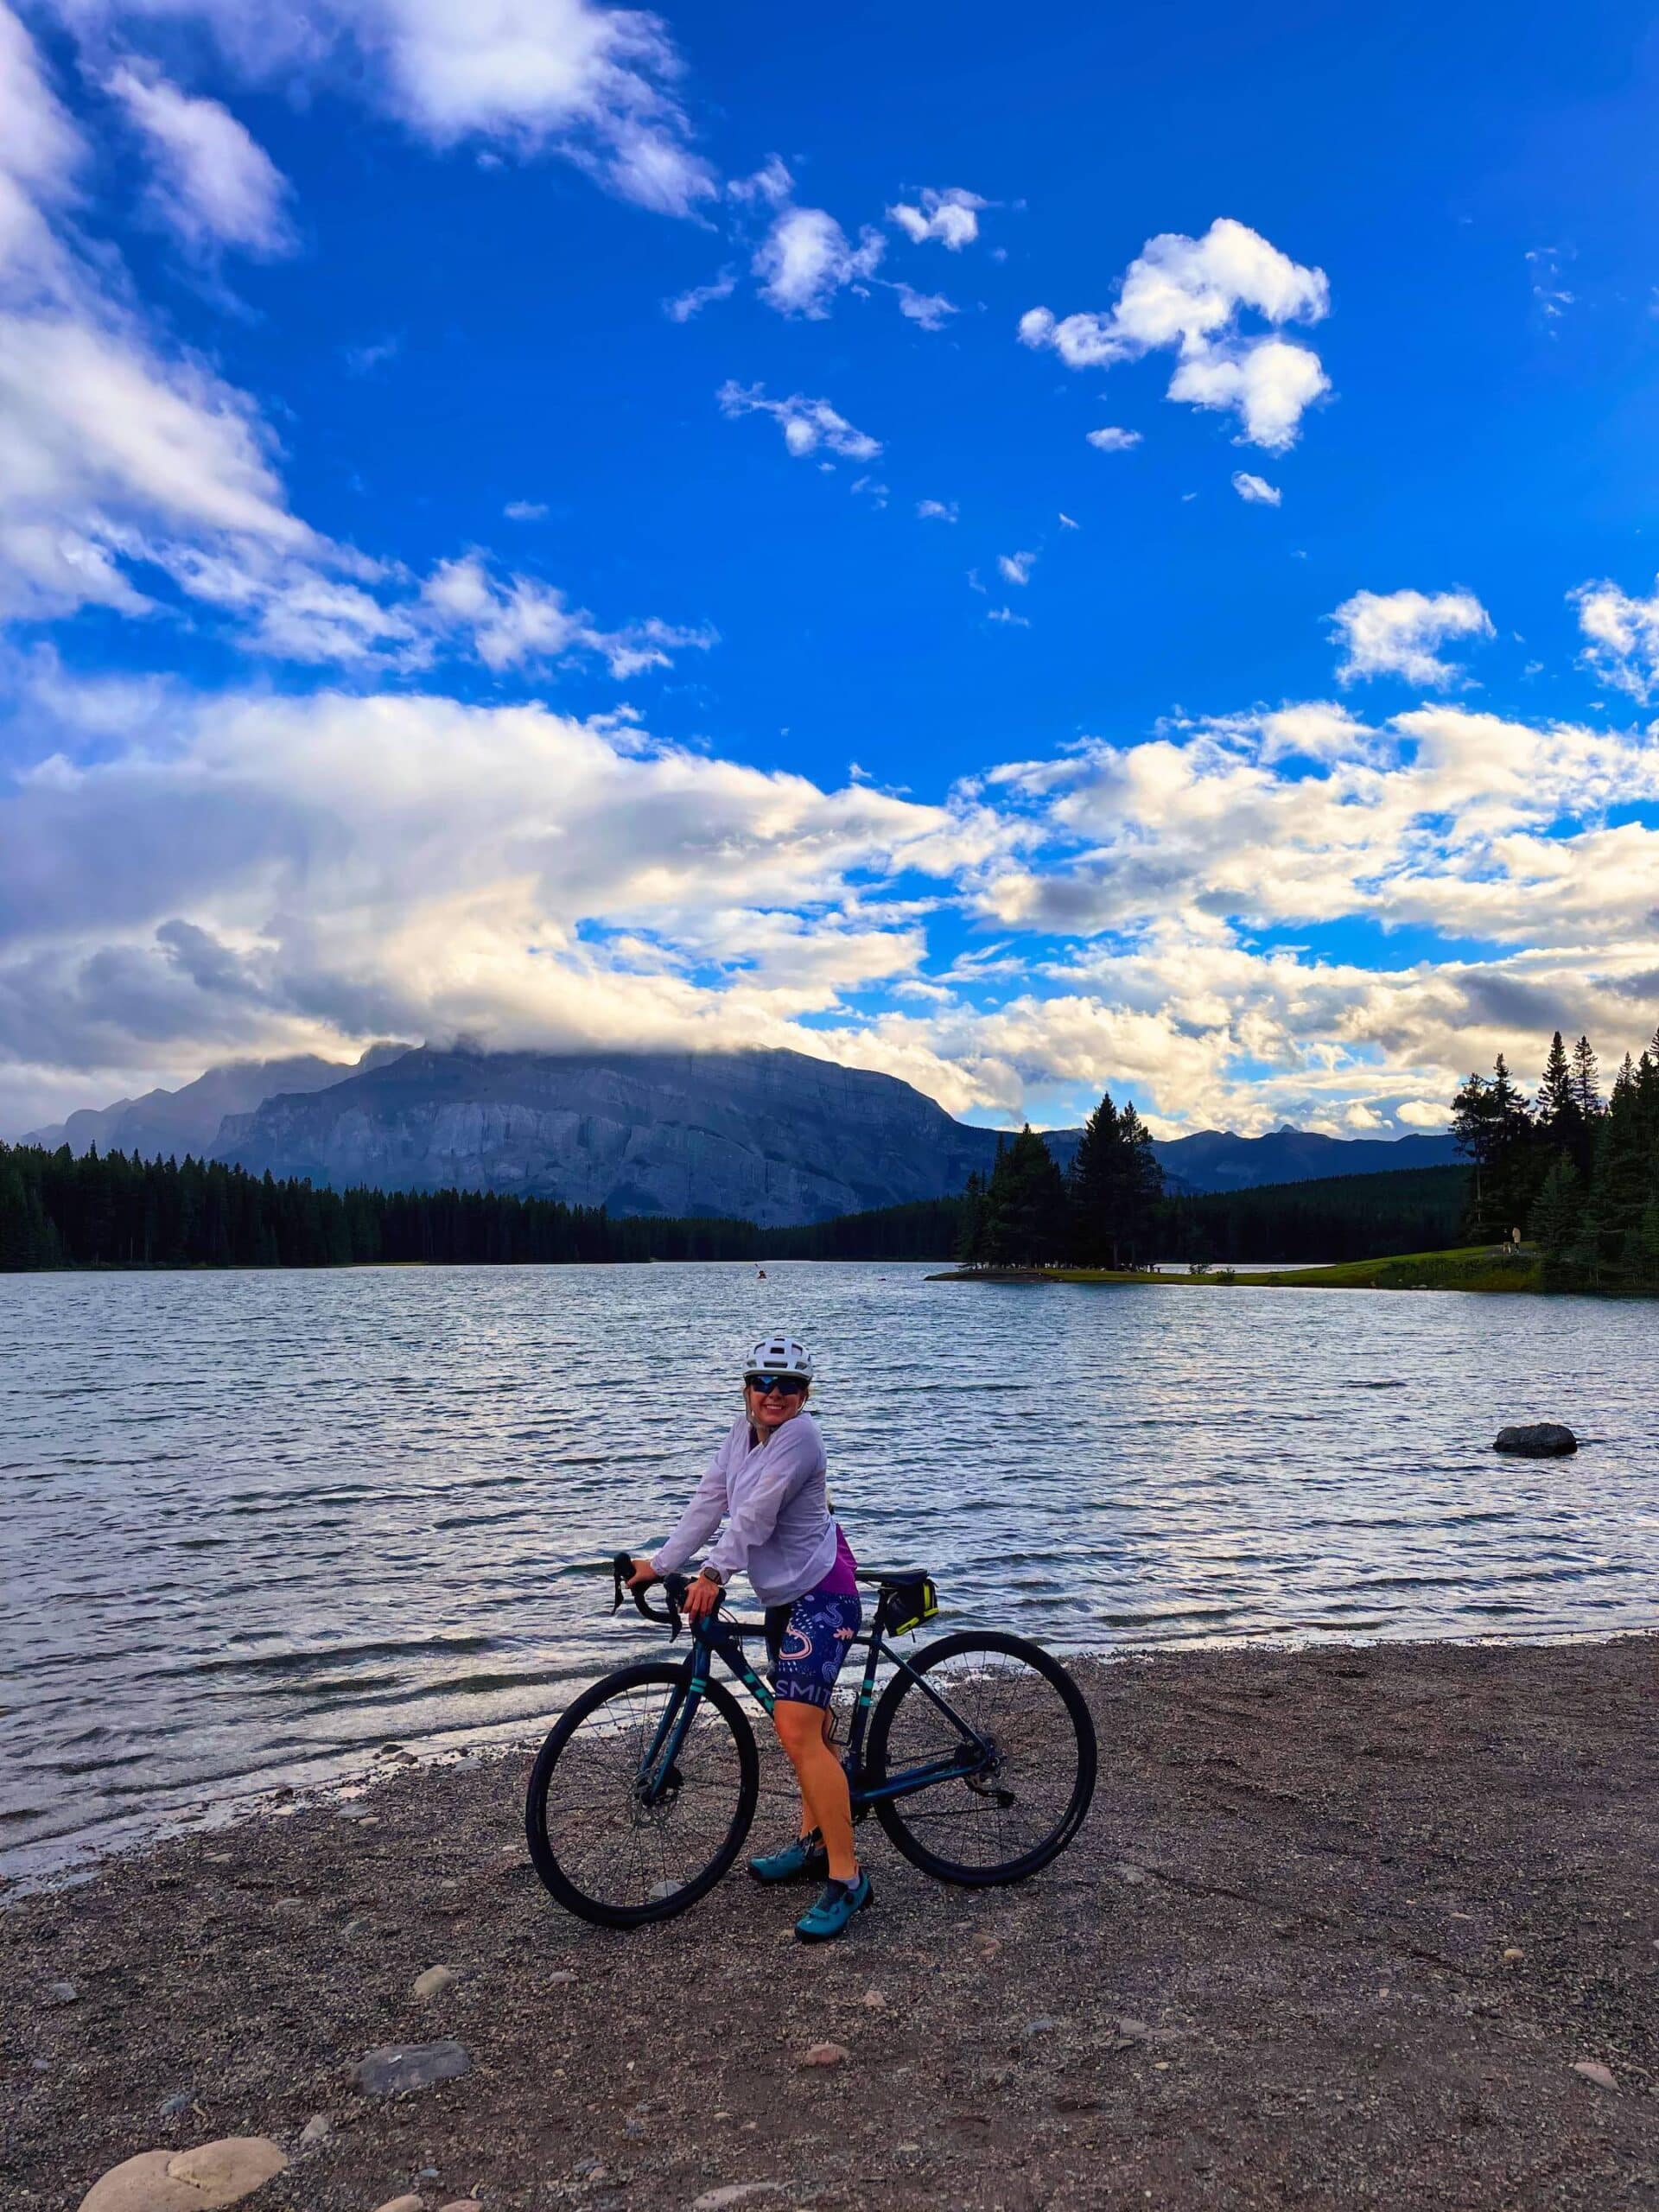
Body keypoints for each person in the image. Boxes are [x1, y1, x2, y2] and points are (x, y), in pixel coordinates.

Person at [631, 1332, 870, 1942]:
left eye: (788, 1385)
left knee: (794, 1728)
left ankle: (848, 1878)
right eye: (763, 1382)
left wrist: (713, 1574)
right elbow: (709, 1503)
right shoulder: (740, 1438)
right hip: (782, 1597)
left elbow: (756, 1515)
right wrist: (660, 1564)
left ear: (804, 1395)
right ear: (746, 1389)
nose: (774, 1394)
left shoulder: (801, 1437)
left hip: (822, 1589)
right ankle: (813, 1843)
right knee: (807, 1730)